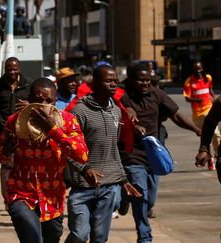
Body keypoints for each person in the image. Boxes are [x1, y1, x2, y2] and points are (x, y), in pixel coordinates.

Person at [0, 77, 89, 243]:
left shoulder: (67, 121)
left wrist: (53, 130)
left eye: (49, 101)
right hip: (21, 194)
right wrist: (7, 149)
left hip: (53, 199)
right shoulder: (15, 121)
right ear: (29, 100)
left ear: (55, 100)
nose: (44, 104)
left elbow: (81, 155)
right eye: (38, 100)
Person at [119, 63, 201, 243]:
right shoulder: (121, 95)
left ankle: (124, 197)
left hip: (153, 154)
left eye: (148, 80)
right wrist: (128, 116)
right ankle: (145, 236)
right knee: (141, 193)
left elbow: (176, 115)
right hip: (131, 154)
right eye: (141, 80)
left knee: (150, 196)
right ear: (131, 80)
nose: (145, 83)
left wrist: (196, 129)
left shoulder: (157, 94)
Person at [65, 65, 142, 243]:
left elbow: (113, 151)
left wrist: (123, 180)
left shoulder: (115, 110)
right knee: (79, 235)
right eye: (109, 80)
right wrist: (85, 169)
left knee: (100, 238)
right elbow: (68, 149)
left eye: (115, 81)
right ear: (95, 83)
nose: (114, 84)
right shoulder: (80, 111)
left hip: (109, 187)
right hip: (82, 186)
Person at [0, 57, 31, 205]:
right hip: (5, 133)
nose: (12, 72)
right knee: (6, 166)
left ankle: (23, 197)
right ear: (5, 69)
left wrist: (29, 104)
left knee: (25, 165)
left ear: (19, 69)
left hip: (24, 133)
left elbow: (38, 104)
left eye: (15, 69)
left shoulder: (28, 85)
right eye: (9, 69)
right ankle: (8, 200)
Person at [183, 60, 218, 170]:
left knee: (216, 133)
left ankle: (218, 154)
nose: (198, 71)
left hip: (208, 108)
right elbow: (187, 98)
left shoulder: (208, 78)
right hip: (197, 113)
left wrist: (214, 99)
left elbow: (210, 90)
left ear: (202, 69)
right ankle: (209, 157)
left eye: (200, 69)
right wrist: (197, 100)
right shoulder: (189, 82)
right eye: (196, 70)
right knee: (206, 135)